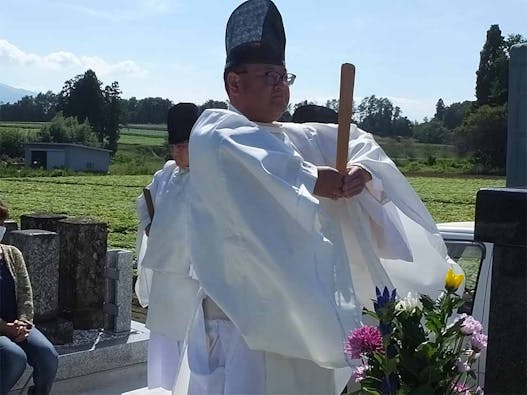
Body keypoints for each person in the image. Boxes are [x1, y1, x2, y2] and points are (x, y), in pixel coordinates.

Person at [170, 1, 462, 393]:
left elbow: (361, 143)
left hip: (303, 319)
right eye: (269, 75)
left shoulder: (293, 136)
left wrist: (363, 173)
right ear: (234, 84)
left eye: (283, 75)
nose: (280, 85)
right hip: (242, 326)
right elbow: (255, 161)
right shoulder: (216, 131)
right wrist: (313, 179)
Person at [134, 103, 200, 390]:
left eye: (183, 146)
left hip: (194, 278)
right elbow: (144, 204)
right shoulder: (165, 175)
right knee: (162, 344)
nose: (177, 153)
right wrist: (151, 226)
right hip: (164, 275)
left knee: (194, 346)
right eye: (173, 147)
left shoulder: (212, 176)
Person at [0, 200, 58, 395]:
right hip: (1, 328)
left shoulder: (12, 254)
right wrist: (3, 327)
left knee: (48, 357)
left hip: (17, 324)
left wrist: (24, 323)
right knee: (14, 357)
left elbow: (26, 293)